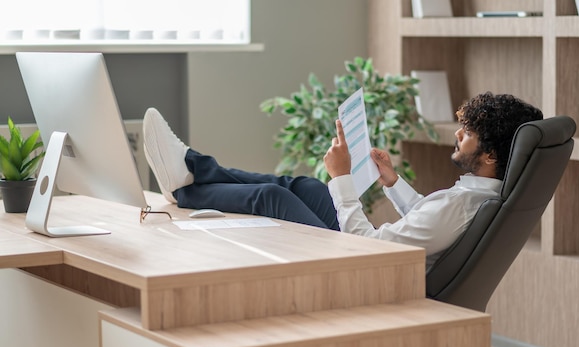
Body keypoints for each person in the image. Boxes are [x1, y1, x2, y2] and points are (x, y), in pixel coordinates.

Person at [143, 92, 543, 267]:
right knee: (306, 187)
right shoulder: (475, 195)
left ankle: (186, 183)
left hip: (365, 263)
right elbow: (429, 218)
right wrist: (391, 181)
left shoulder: (461, 203)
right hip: (377, 252)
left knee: (272, 196)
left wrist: (343, 176)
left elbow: (367, 247)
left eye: (467, 133)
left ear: (489, 154)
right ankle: (191, 170)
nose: (458, 135)